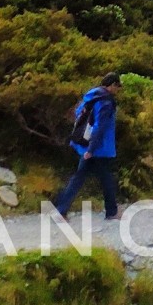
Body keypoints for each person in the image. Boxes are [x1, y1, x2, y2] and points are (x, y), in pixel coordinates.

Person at [54, 73, 121, 221]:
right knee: (106, 179)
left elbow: (78, 114)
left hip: (85, 145)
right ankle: (112, 212)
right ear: (112, 85)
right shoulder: (106, 102)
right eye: (117, 86)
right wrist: (91, 150)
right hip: (99, 149)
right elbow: (100, 127)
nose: (117, 90)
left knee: (79, 177)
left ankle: (61, 210)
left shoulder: (91, 96)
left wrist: (87, 148)